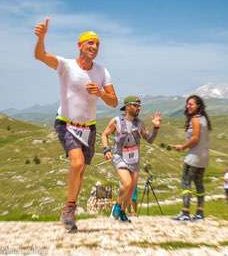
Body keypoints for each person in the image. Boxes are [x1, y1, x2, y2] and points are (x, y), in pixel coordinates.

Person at [34, 17, 118, 232]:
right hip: (66, 123)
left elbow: (114, 102)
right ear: (79, 45)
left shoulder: (102, 72)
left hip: (88, 127)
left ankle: (68, 209)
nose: (94, 47)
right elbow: (40, 56)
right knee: (77, 164)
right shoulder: (66, 65)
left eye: (97, 44)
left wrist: (100, 93)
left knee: (80, 172)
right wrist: (41, 38)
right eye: (90, 43)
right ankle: (71, 209)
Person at [102, 96, 161, 222]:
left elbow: (149, 140)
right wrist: (106, 149)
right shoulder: (116, 121)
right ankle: (117, 206)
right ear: (128, 106)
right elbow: (104, 134)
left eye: (139, 106)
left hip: (134, 160)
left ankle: (122, 212)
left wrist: (156, 128)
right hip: (120, 157)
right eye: (135, 105)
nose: (138, 108)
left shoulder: (140, 123)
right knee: (127, 183)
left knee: (130, 190)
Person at [172, 95, 211, 221]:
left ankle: (185, 212)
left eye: (191, 104)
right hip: (204, 157)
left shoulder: (195, 119)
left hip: (193, 156)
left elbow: (195, 138)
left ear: (198, 106)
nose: (188, 106)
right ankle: (200, 213)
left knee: (186, 182)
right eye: (187, 104)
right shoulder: (204, 119)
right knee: (199, 183)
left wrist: (182, 147)